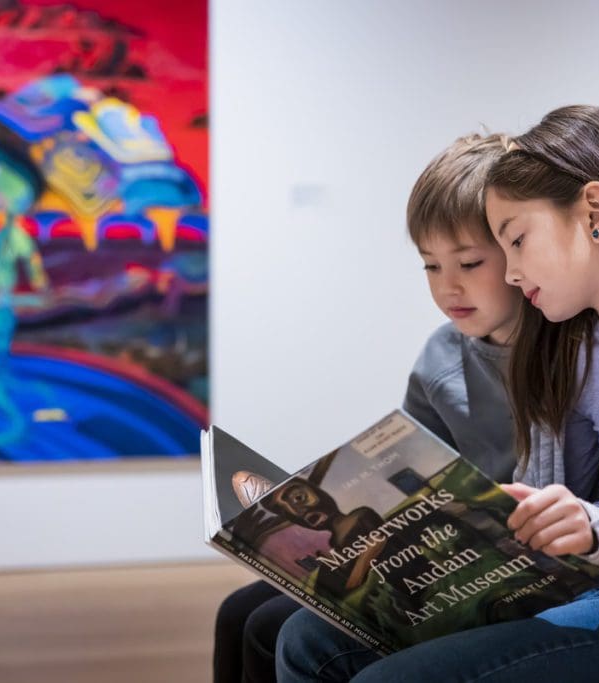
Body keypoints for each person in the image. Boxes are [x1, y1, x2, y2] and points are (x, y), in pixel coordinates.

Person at [275, 104, 599, 683]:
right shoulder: (576, 338)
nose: (513, 273)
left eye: (517, 241)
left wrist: (597, 529)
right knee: (306, 643)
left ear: (594, 212)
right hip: (573, 584)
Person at [213, 132, 522, 683]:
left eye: (469, 263)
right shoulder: (440, 355)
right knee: (238, 612)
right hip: (420, 548)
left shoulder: (558, 353)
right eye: (430, 267)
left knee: (275, 631)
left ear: (519, 253)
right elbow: (407, 471)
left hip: (492, 558)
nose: (448, 286)